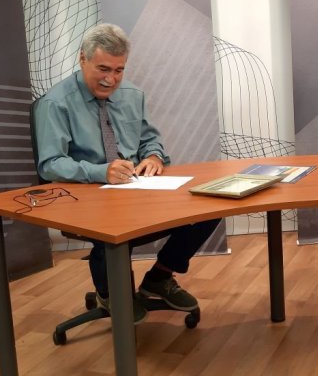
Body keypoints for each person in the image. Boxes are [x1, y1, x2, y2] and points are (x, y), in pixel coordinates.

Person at [34, 23, 220, 324]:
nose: (111, 79)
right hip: (88, 197)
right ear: (82, 59)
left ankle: (159, 278)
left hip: (136, 188)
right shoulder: (56, 103)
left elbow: (150, 139)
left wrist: (154, 156)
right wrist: (101, 171)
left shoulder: (133, 95)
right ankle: (110, 293)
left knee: (210, 208)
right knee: (112, 229)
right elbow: (50, 164)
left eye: (118, 70)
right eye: (103, 69)